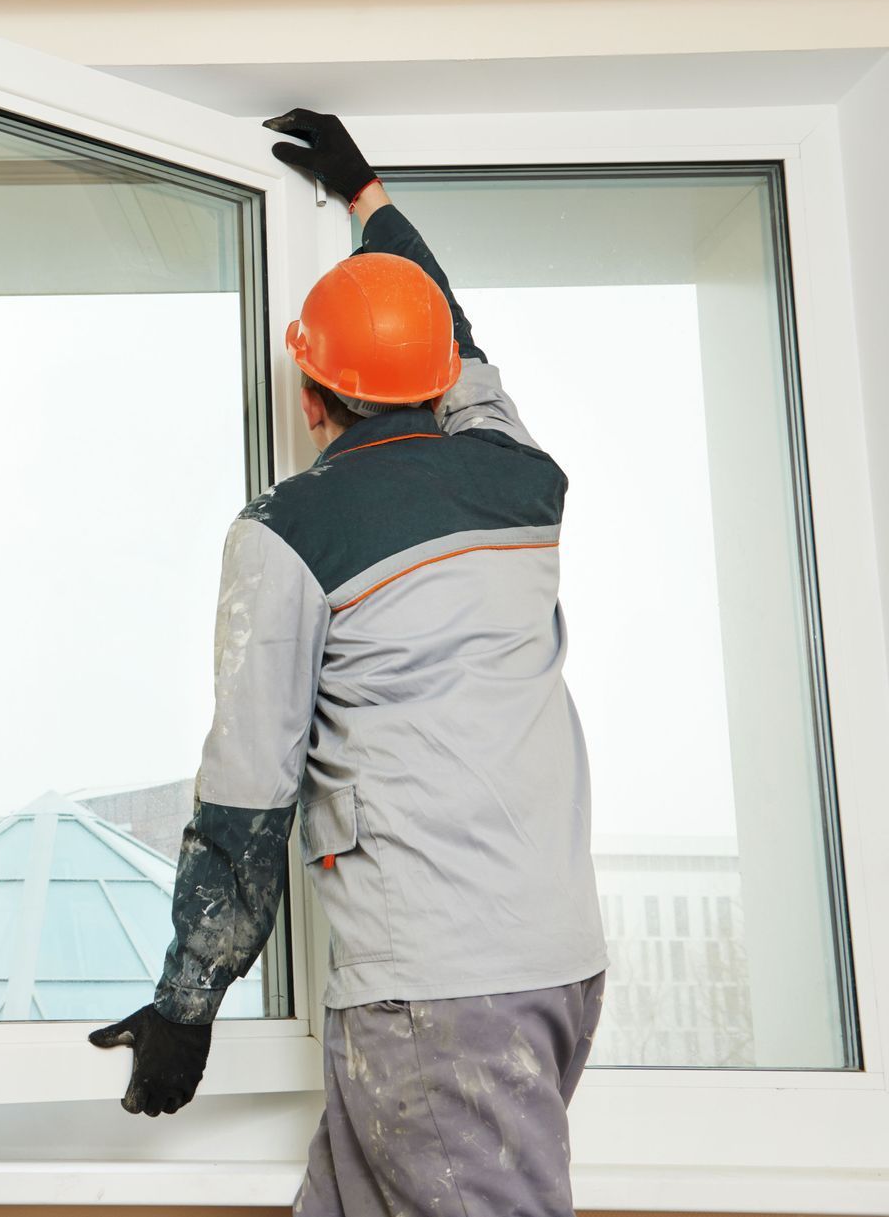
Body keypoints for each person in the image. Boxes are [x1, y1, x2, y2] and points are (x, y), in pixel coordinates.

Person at [89, 111, 607, 1217]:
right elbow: (451, 334)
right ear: (437, 384)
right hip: (552, 966)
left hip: (443, 994)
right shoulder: (519, 473)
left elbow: (247, 799)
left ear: (310, 398)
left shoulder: (290, 532)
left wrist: (187, 1005)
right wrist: (367, 195)